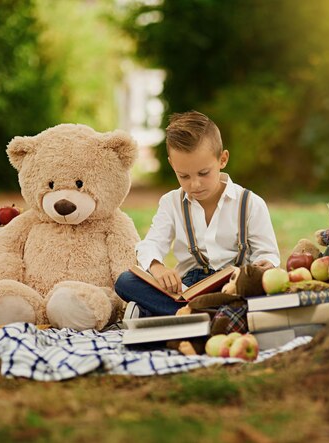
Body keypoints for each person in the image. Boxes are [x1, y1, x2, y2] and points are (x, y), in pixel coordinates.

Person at [115, 110, 280, 318]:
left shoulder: (251, 204)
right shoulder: (171, 203)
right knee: (125, 282)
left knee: (261, 295)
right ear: (172, 165)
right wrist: (157, 267)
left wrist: (265, 264)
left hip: (233, 288)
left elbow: (268, 254)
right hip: (188, 288)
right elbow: (151, 244)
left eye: (203, 173)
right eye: (183, 176)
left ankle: (178, 315)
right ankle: (215, 317)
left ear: (222, 159)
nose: (194, 184)